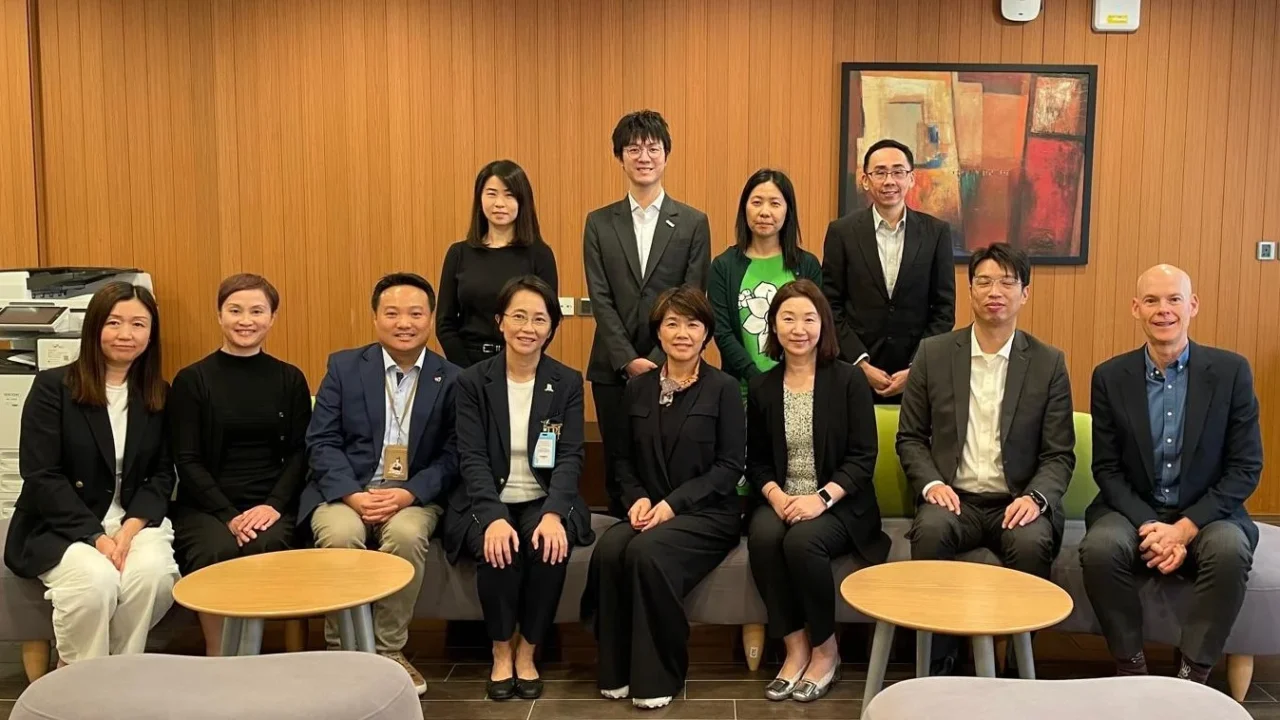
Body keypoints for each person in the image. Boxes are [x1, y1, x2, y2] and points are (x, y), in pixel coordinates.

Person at [896, 243, 1075, 674]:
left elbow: (1059, 454)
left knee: (1033, 543)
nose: (996, 291)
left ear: (1025, 293)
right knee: (931, 532)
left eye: (1008, 282)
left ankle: (1017, 669)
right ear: (970, 290)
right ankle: (939, 664)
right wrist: (932, 485)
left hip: (1017, 501)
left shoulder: (1048, 363)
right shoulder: (934, 353)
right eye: (984, 281)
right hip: (954, 498)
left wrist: (1035, 498)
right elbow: (910, 438)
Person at [1080, 265, 1261, 684]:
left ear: (1192, 305)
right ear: (1135, 308)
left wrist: (1183, 529)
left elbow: (1245, 468)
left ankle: (1192, 675)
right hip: (1131, 510)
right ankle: (1131, 667)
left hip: (1208, 513)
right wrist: (1150, 525)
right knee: (1101, 549)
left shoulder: (1231, 373)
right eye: (1152, 300)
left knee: (1231, 550)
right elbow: (1106, 468)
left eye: (1174, 299)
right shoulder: (1110, 376)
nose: (1163, 310)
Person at [582, 286, 744, 710]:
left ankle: (660, 673)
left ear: (707, 333)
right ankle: (616, 669)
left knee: (647, 553)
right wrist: (635, 497)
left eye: (693, 324)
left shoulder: (724, 388)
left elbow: (729, 467)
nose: (683, 333)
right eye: (672, 323)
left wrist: (673, 505)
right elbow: (622, 460)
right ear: (658, 332)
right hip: (647, 509)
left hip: (708, 514)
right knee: (612, 548)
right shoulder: (637, 389)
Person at [300, 272, 461, 695]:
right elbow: (321, 440)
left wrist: (408, 493)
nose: (403, 323)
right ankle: (343, 650)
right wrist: (352, 495)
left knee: (407, 535)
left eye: (415, 313)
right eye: (392, 313)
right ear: (376, 318)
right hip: (347, 491)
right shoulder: (345, 366)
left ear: (430, 319)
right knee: (340, 533)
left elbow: (454, 454)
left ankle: (390, 650)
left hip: (413, 496)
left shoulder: (454, 378)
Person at [3, 282, 179, 665]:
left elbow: (162, 474)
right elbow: (41, 475)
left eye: (138, 324)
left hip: (133, 519)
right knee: (94, 582)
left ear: (151, 334)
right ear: (95, 327)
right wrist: (98, 538)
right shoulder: (53, 388)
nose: (126, 334)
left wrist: (129, 530)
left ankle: (118, 670)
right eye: (114, 323)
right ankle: (80, 677)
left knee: (154, 575)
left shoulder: (157, 394)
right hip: (61, 522)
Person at [442, 275, 595, 701]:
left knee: (550, 547)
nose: (529, 327)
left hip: (543, 496)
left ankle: (528, 650)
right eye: (519, 317)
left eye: (539, 319)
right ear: (500, 322)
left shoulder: (565, 381)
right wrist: (491, 517)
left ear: (551, 328)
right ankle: (500, 652)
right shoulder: (472, 382)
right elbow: (469, 456)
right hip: (485, 497)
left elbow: (569, 456)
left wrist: (552, 514)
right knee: (499, 549)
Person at [745, 280, 887, 702]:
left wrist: (819, 499)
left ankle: (826, 651)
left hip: (841, 504)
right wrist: (776, 496)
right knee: (765, 535)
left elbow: (863, 458)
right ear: (773, 326)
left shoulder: (848, 382)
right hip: (783, 497)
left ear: (823, 326)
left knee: (803, 542)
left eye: (809, 318)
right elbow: (754, 461)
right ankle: (794, 648)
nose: (798, 328)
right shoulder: (762, 386)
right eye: (787, 318)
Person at [167, 273, 312, 656]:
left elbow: (301, 453)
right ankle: (221, 657)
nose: (245, 320)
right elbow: (187, 459)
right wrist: (228, 514)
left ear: (272, 318)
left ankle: (253, 654)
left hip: (269, 503)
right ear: (219, 315)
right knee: (215, 551)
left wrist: (273, 505)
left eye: (257, 311)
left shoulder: (290, 378)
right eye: (235, 310)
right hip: (207, 505)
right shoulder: (192, 380)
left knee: (266, 545)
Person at [584, 109, 712, 517]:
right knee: (618, 460)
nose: (643, 156)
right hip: (612, 366)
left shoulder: (692, 222)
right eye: (633, 148)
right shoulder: (599, 222)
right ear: (619, 157)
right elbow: (599, 297)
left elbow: (692, 296)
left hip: (676, 364)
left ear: (666, 155)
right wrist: (627, 358)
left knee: (667, 459)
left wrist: (660, 360)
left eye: (652, 148)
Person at [821, 138, 955, 402]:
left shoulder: (936, 233)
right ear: (866, 180)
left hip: (917, 377)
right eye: (880, 172)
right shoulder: (842, 232)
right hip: (854, 374)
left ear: (911, 178)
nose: (889, 181)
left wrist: (916, 368)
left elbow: (944, 310)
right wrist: (860, 363)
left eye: (897, 172)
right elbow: (830, 305)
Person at [709, 169, 822, 399]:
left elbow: (816, 326)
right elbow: (722, 332)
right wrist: (756, 379)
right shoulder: (724, 266)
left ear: (788, 210)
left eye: (775, 203)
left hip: (798, 389)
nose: (764, 212)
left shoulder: (807, 265)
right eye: (757, 202)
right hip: (740, 392)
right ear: (744, 208)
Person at [436, 160, 559, 368]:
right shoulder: (459, 253)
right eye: (491, 193)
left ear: (522, 200)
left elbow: (548, 320)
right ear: (480, 198)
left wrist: (518, 362)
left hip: (520, 363)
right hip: (465, 365)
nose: (499, 203)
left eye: (509, 195)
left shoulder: (540, 255)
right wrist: (465, 370)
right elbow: (445, 322)